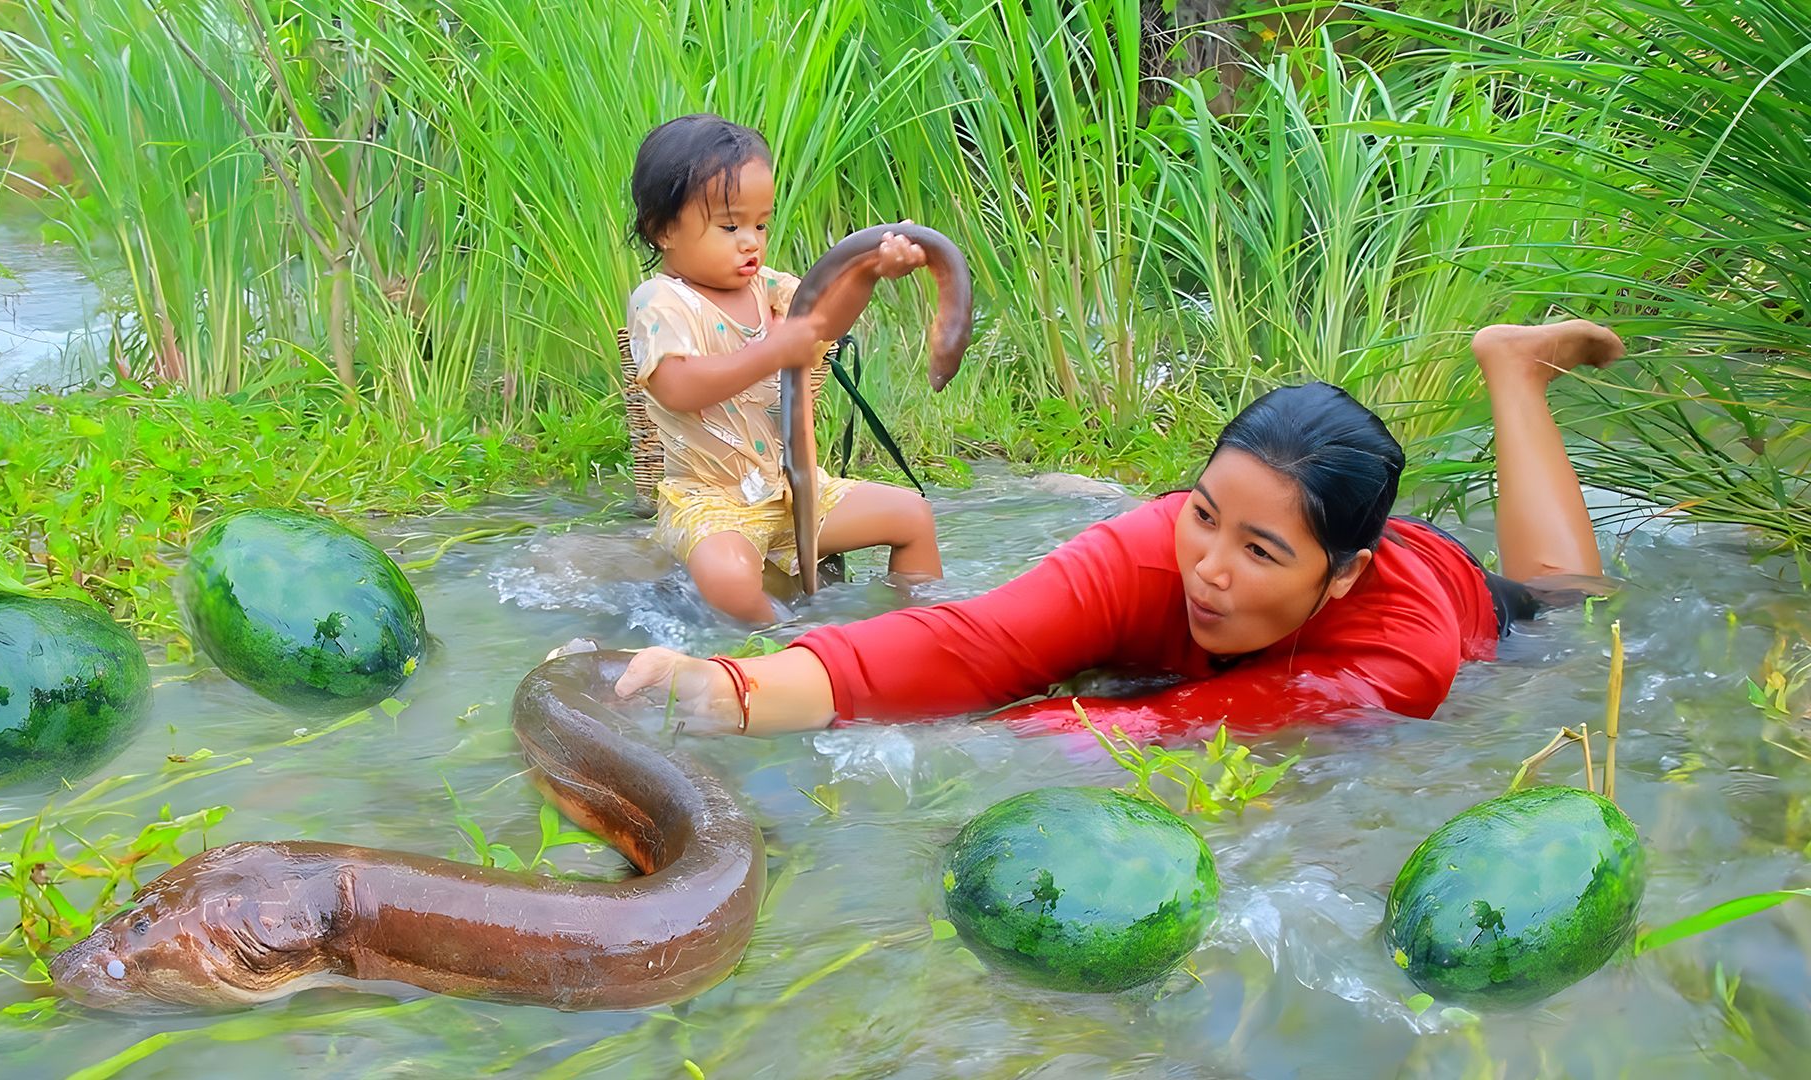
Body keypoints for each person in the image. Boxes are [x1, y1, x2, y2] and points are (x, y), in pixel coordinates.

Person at [612, 318, 1628, 742]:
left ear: (1341, 575)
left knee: (1572, 599)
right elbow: (970, 644)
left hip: (1457, 593)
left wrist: (964, 752)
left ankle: (1514, 368)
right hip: (1339, 531)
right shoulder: (1153, 547)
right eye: (1204, 517)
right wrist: (729, 690)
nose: (1210, 571)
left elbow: (1177, 730)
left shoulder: (1401, 650)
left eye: (1257, 552)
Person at [625, 114, 943, 624]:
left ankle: (920, 627)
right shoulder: (661, 302)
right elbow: (676, 386)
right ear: (662, 230)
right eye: (730, 226)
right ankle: (788, 647)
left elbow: (824, 321)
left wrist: (870, 272)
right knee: (729, 578)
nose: (750, 240)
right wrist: (772, 352)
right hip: (710, 501)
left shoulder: (767, 288)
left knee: (912, 516)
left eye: (761, 223)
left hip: (793, 487)